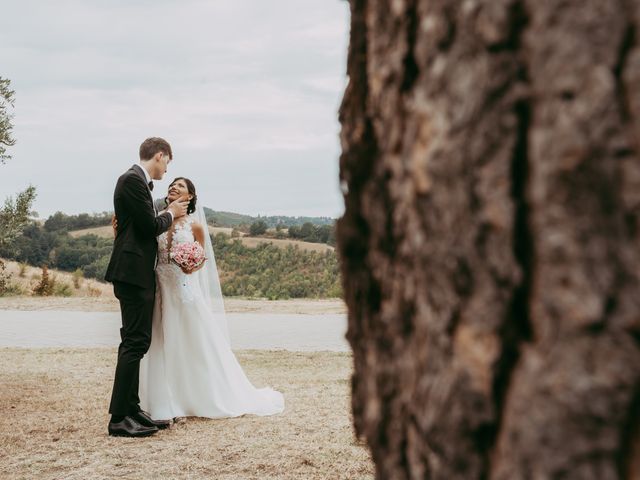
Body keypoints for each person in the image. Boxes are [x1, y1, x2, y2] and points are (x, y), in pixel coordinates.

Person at [139, 177, 284, 420]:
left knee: (193, 344)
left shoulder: (195, 227)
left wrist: (189, 266)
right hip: (159, 289)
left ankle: (202, 395)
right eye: (172, 184)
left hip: (184, 291)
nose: (173, 187)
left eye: (180, 186)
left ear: (191, 197)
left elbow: (201, 261)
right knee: (161, 342)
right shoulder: (159, 221)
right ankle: (166, 398)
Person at [104, 137, 189, 437]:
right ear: (160, 155)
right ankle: (118, 418)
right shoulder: (131, 180)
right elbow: (148, 227)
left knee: (136, 340)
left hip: (137, 273)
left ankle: (132, 408)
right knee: (135, 342)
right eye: (168, 161)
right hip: (132, 273)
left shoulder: (135, 182)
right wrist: (172, 214)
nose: (167, 168)